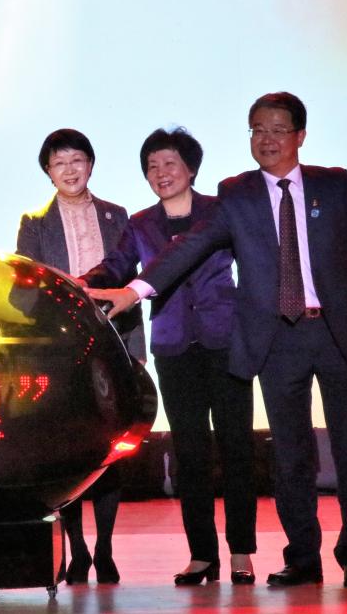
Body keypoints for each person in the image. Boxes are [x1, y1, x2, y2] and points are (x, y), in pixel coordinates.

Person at [88, 93, 347, 589]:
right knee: (290, 455)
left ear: (300, 135)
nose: (266, 139)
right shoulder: (237, 193)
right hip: (278, 340)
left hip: (340, 334)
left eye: (277, 129)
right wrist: (132, 291)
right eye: (256, 130)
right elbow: (189, 246)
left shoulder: (334, 184)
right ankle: (303, 557)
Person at [79, 127, 257, 586]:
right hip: (175, 347)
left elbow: (255, 264)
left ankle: (241, 552)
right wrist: (84, 282)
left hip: (226, 341)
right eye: (152, 166)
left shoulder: (219, 212)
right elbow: (117, 266)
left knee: (236, 447)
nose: (160, 173)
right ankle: (202, 556)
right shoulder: (140, 224)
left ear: (191, 168)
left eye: (170, 164)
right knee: (189, 453)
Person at [16, 128, 145, 585]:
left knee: (109, 450)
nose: (69, 170)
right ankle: (78, 550)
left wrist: (137, 353)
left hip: (114, 344)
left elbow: (130, 281)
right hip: (61, 349)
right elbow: (22, 291)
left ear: (90, 164)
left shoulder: (118, 215)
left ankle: (105, 548)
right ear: (48, 172)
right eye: (59, 163)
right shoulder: (34, 222)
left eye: (77, 160)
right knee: (66, 451)